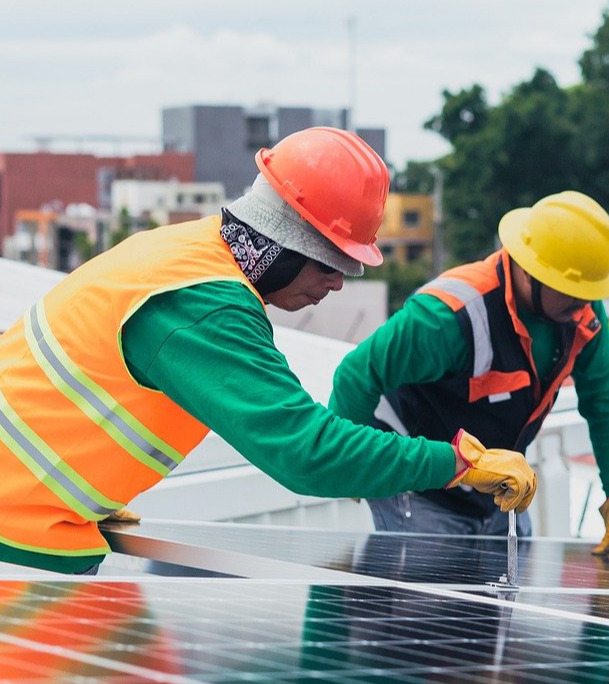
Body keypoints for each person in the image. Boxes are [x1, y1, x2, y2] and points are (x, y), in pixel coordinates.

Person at [0, 127, 536, 575]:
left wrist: (97, 489)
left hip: (36, 510)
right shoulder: (204, 307)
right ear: (287, 241)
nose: (337, 285)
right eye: (331, 264)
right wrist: (461, 462)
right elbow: (306, 453)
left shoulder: (184, 251)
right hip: (16, 526)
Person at [329, 190, 609, 563]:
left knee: (499, 608)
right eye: (574, 291)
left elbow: (605, 404)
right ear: (530, 271)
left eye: (590, 293)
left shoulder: (582, 318)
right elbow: (356, 375)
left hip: (498, 489)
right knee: (432, 606)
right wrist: (352, 466)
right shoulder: (449, 315)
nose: (584, 304)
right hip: (420, 487)